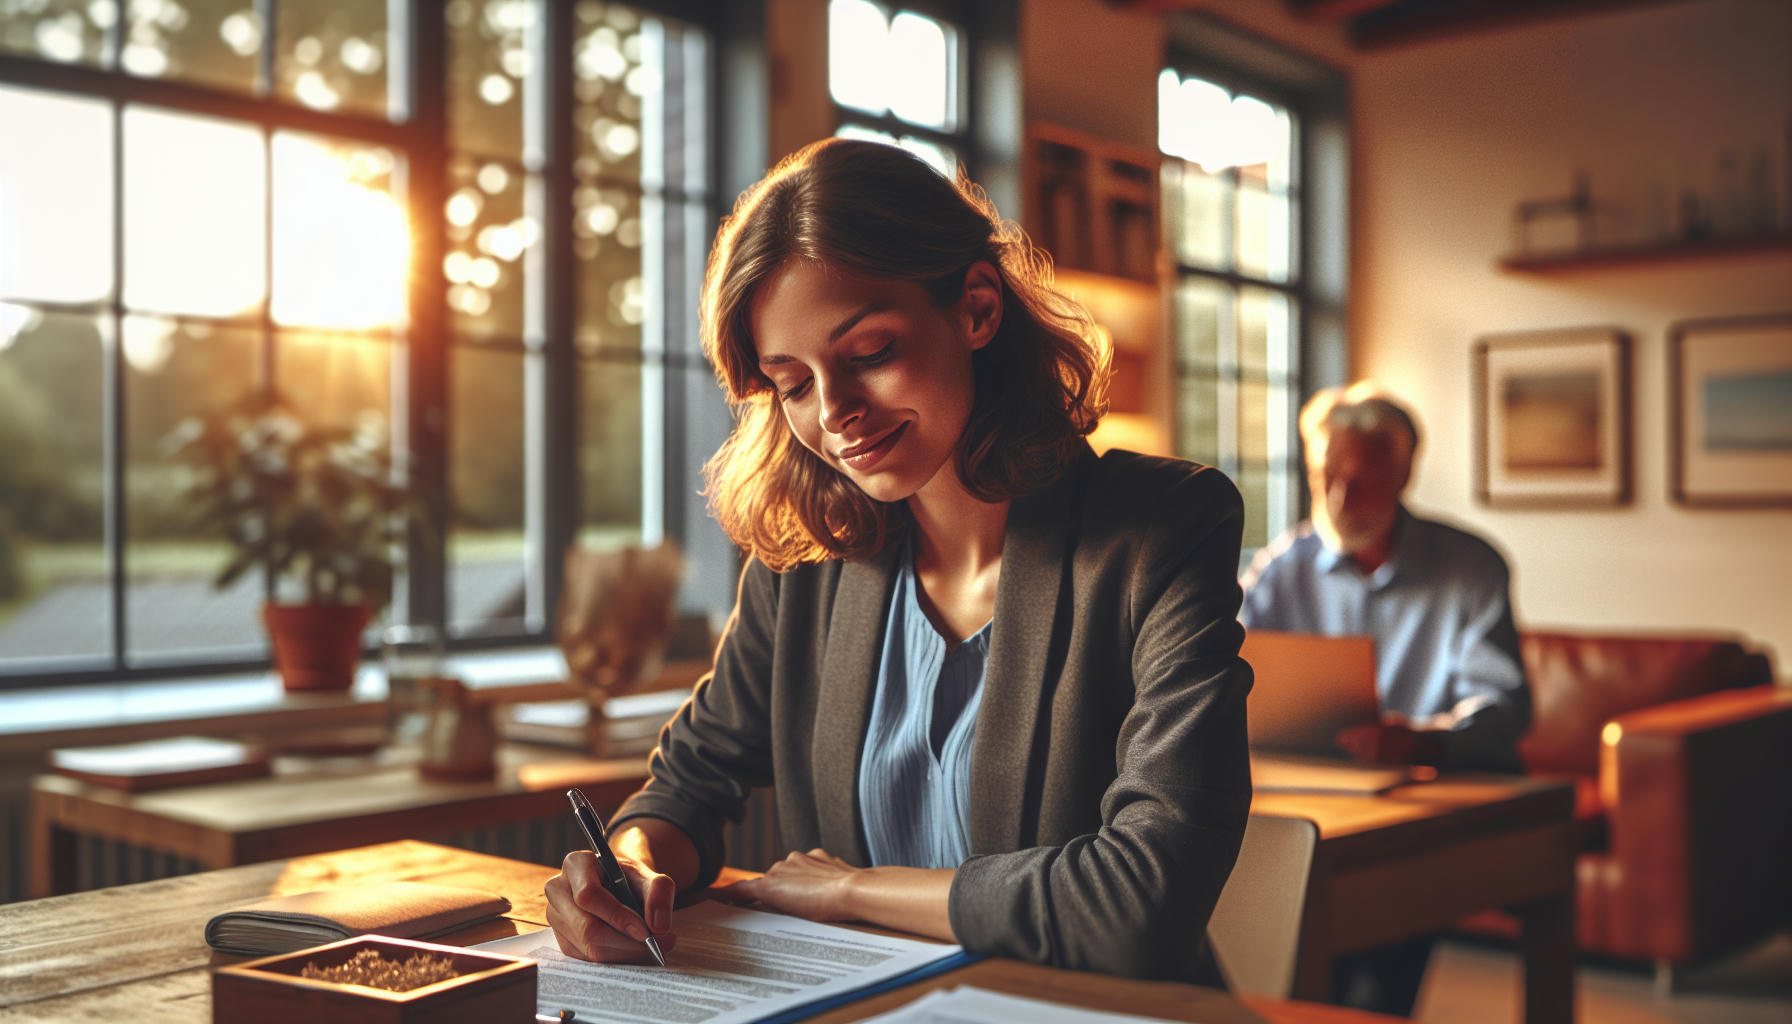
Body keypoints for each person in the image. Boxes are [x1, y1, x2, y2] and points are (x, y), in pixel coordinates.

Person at [542, 137, 1253, 983]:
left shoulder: (1161, 529)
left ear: (978, 309)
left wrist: (853, 893)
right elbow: (689, 781)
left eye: (868, 353)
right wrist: (625, 864)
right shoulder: (806, 561)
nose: (834, 412)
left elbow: (1143, 900)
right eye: (792, 382)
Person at [1240, 382, 1532, 1014]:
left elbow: (1504, 708)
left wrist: (1424, 738)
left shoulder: (1471, 567)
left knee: (1370, 971)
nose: (1342, 499)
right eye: (1326, 478)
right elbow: (1221, 672)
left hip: (1433, 792)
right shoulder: (1279, 567)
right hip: (1313, 789)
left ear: (1404, 475)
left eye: (1365, 480)